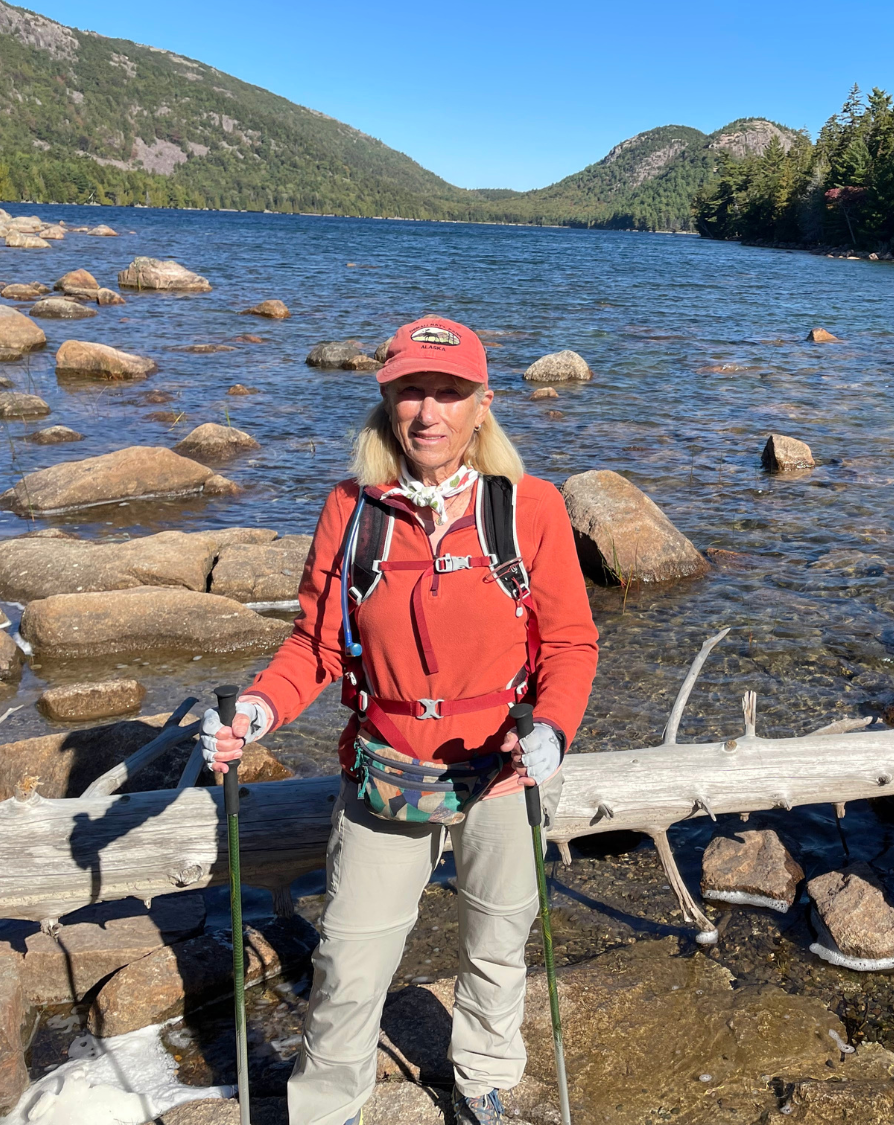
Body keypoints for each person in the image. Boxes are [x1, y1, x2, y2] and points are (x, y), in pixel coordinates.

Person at [199, 316, 599, 1125]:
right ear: (387, 400)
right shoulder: (351, 510)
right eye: (412, 390)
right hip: (383, 768)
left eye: (449, 393)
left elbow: (569, 640)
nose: (429, 412)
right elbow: (315, 643)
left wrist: (552, 726)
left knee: (496, 940)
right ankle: (327, 1108)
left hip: (502, 772)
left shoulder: (529, 508)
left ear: (481, 405)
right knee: (349, 959)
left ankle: (482, 1074)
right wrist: (256, 709)